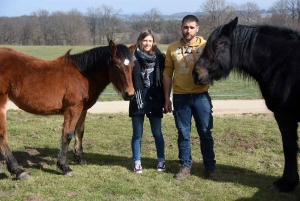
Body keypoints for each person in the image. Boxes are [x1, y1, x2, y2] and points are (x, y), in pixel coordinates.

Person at [163, 15, 218, 180]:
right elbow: (167, 74)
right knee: (183, 133)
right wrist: (167, 98)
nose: (188, 30)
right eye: (185, 27)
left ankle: (210, 168)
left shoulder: (206, 45)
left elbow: (216, 67)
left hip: (202, 97)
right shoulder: (172, 48)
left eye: (191, 27)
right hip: (181, 98)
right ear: (181, 28)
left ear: (197, 29)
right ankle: (185, 166)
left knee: (205, 132)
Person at [129, 30, 166, 173]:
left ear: (153, 42)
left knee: (157, 133)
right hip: (137, 100)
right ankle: (137, 162)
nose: (147, 43)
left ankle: (161, 161)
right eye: (145, 40)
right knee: (137, 134)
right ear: (140, 41)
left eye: (150, 41)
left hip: (155, 99)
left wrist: (166, 99)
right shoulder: (132, 59)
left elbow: (164, 79)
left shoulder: (160, 58)